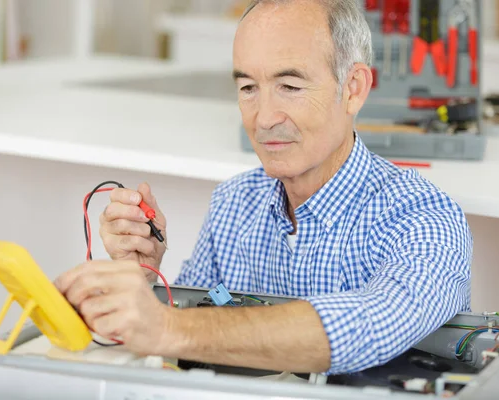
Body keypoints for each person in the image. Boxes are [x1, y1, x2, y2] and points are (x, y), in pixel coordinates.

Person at [54, 0, 472, 375]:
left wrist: (168, 325)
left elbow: (371, 322)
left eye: (290, 86)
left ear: (354, 88)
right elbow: (191, 335)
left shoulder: (422, 214)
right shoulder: (234, 203)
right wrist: (144, 275)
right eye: (248, 88)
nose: (264, 117)